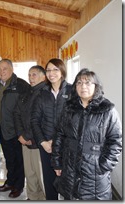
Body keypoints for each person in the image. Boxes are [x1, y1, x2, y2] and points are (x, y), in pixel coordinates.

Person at [51, 68, 122, 200]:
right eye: (79, 83)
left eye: (88, 83)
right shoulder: (69, 108)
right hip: (69, 166)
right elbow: (59, 135)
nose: (83, 86)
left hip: (95, 172)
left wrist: (104, 166)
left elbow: (115, 141)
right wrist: (57, 162)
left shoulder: (107, 110)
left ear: (96, 86)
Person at [31, 58, 72, 200]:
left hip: (67, 146)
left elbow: (74, 122)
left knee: (68, 183)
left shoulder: (72, 91)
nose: (51, 73)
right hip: (46, 146)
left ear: (62, 71)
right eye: (48, 70)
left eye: (55, 69)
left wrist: (58, 142)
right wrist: (42, 142)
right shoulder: (42, 94)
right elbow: (35, 120)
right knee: (49, 183)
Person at [0, 59, 31, 198]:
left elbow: (27, 111)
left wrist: (24, 132)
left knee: (19, 160)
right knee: (9, 159)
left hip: (16, 131)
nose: (2, 72)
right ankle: (10, 182)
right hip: (2, 129)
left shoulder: (21, 85)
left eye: (5, 69)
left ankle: (18, 186)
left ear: (11, 69)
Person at [14, 65, 46, 200]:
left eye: (34, 75)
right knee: (30, 172)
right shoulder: (27, 92)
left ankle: (45, 197)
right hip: (24, 140)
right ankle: (33, 197)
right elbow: (17, 113)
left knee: (41, 174)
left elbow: (42, 120)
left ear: (43, 77)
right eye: (29, 75)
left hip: (39, 141)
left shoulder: (46, 93)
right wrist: (21, 134)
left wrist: (27, 136)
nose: (31, 78)